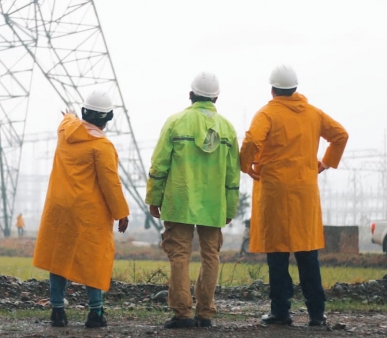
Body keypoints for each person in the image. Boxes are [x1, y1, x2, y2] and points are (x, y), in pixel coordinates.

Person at [240, 64, 348, 326]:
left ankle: (280, 311)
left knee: (277, 254)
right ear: (296, 88)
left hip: (275, 192)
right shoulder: (313, 114)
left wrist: (246, 165)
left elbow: (252, 141)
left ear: (272, 89)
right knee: (307, 252)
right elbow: (340, 135)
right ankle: (316, 314)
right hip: (304, 194)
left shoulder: (267, 113)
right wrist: (324, 163)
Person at [145, 71, 240, 329]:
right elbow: (233, 175)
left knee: (179, 255)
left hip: (180, 202)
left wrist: (154, 197)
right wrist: (230, 206)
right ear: (216, 97)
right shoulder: (228, 129)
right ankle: (205, 313)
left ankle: (182, 313)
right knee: (211, 255)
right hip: (214, 205)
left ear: (191, 95)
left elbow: (160, 163)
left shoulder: (176, 122)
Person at [32, 89, 130, 329]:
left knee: (59, 258)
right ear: (107, 119)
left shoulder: (65, 132)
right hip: (89, 213)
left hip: (59, 209)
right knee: (94, 259)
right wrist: (121, 212)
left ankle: (57, 311)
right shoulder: (102, 146)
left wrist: (70, 116)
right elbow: (110, 182)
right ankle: (95, 313)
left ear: (84, 111)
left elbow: (68, 119)